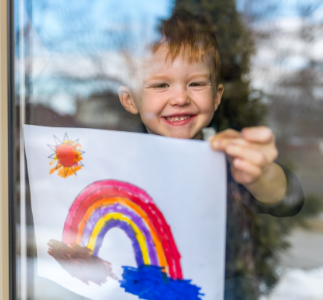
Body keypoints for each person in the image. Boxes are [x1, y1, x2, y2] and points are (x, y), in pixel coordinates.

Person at [117, 9, 304, 300]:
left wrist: (263, 174)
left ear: (216, 97)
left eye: (196, 83)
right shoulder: (117, 164)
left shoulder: (226, 155)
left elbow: (286, 199)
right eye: (160, 85)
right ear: (130, 100)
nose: (180, 98)